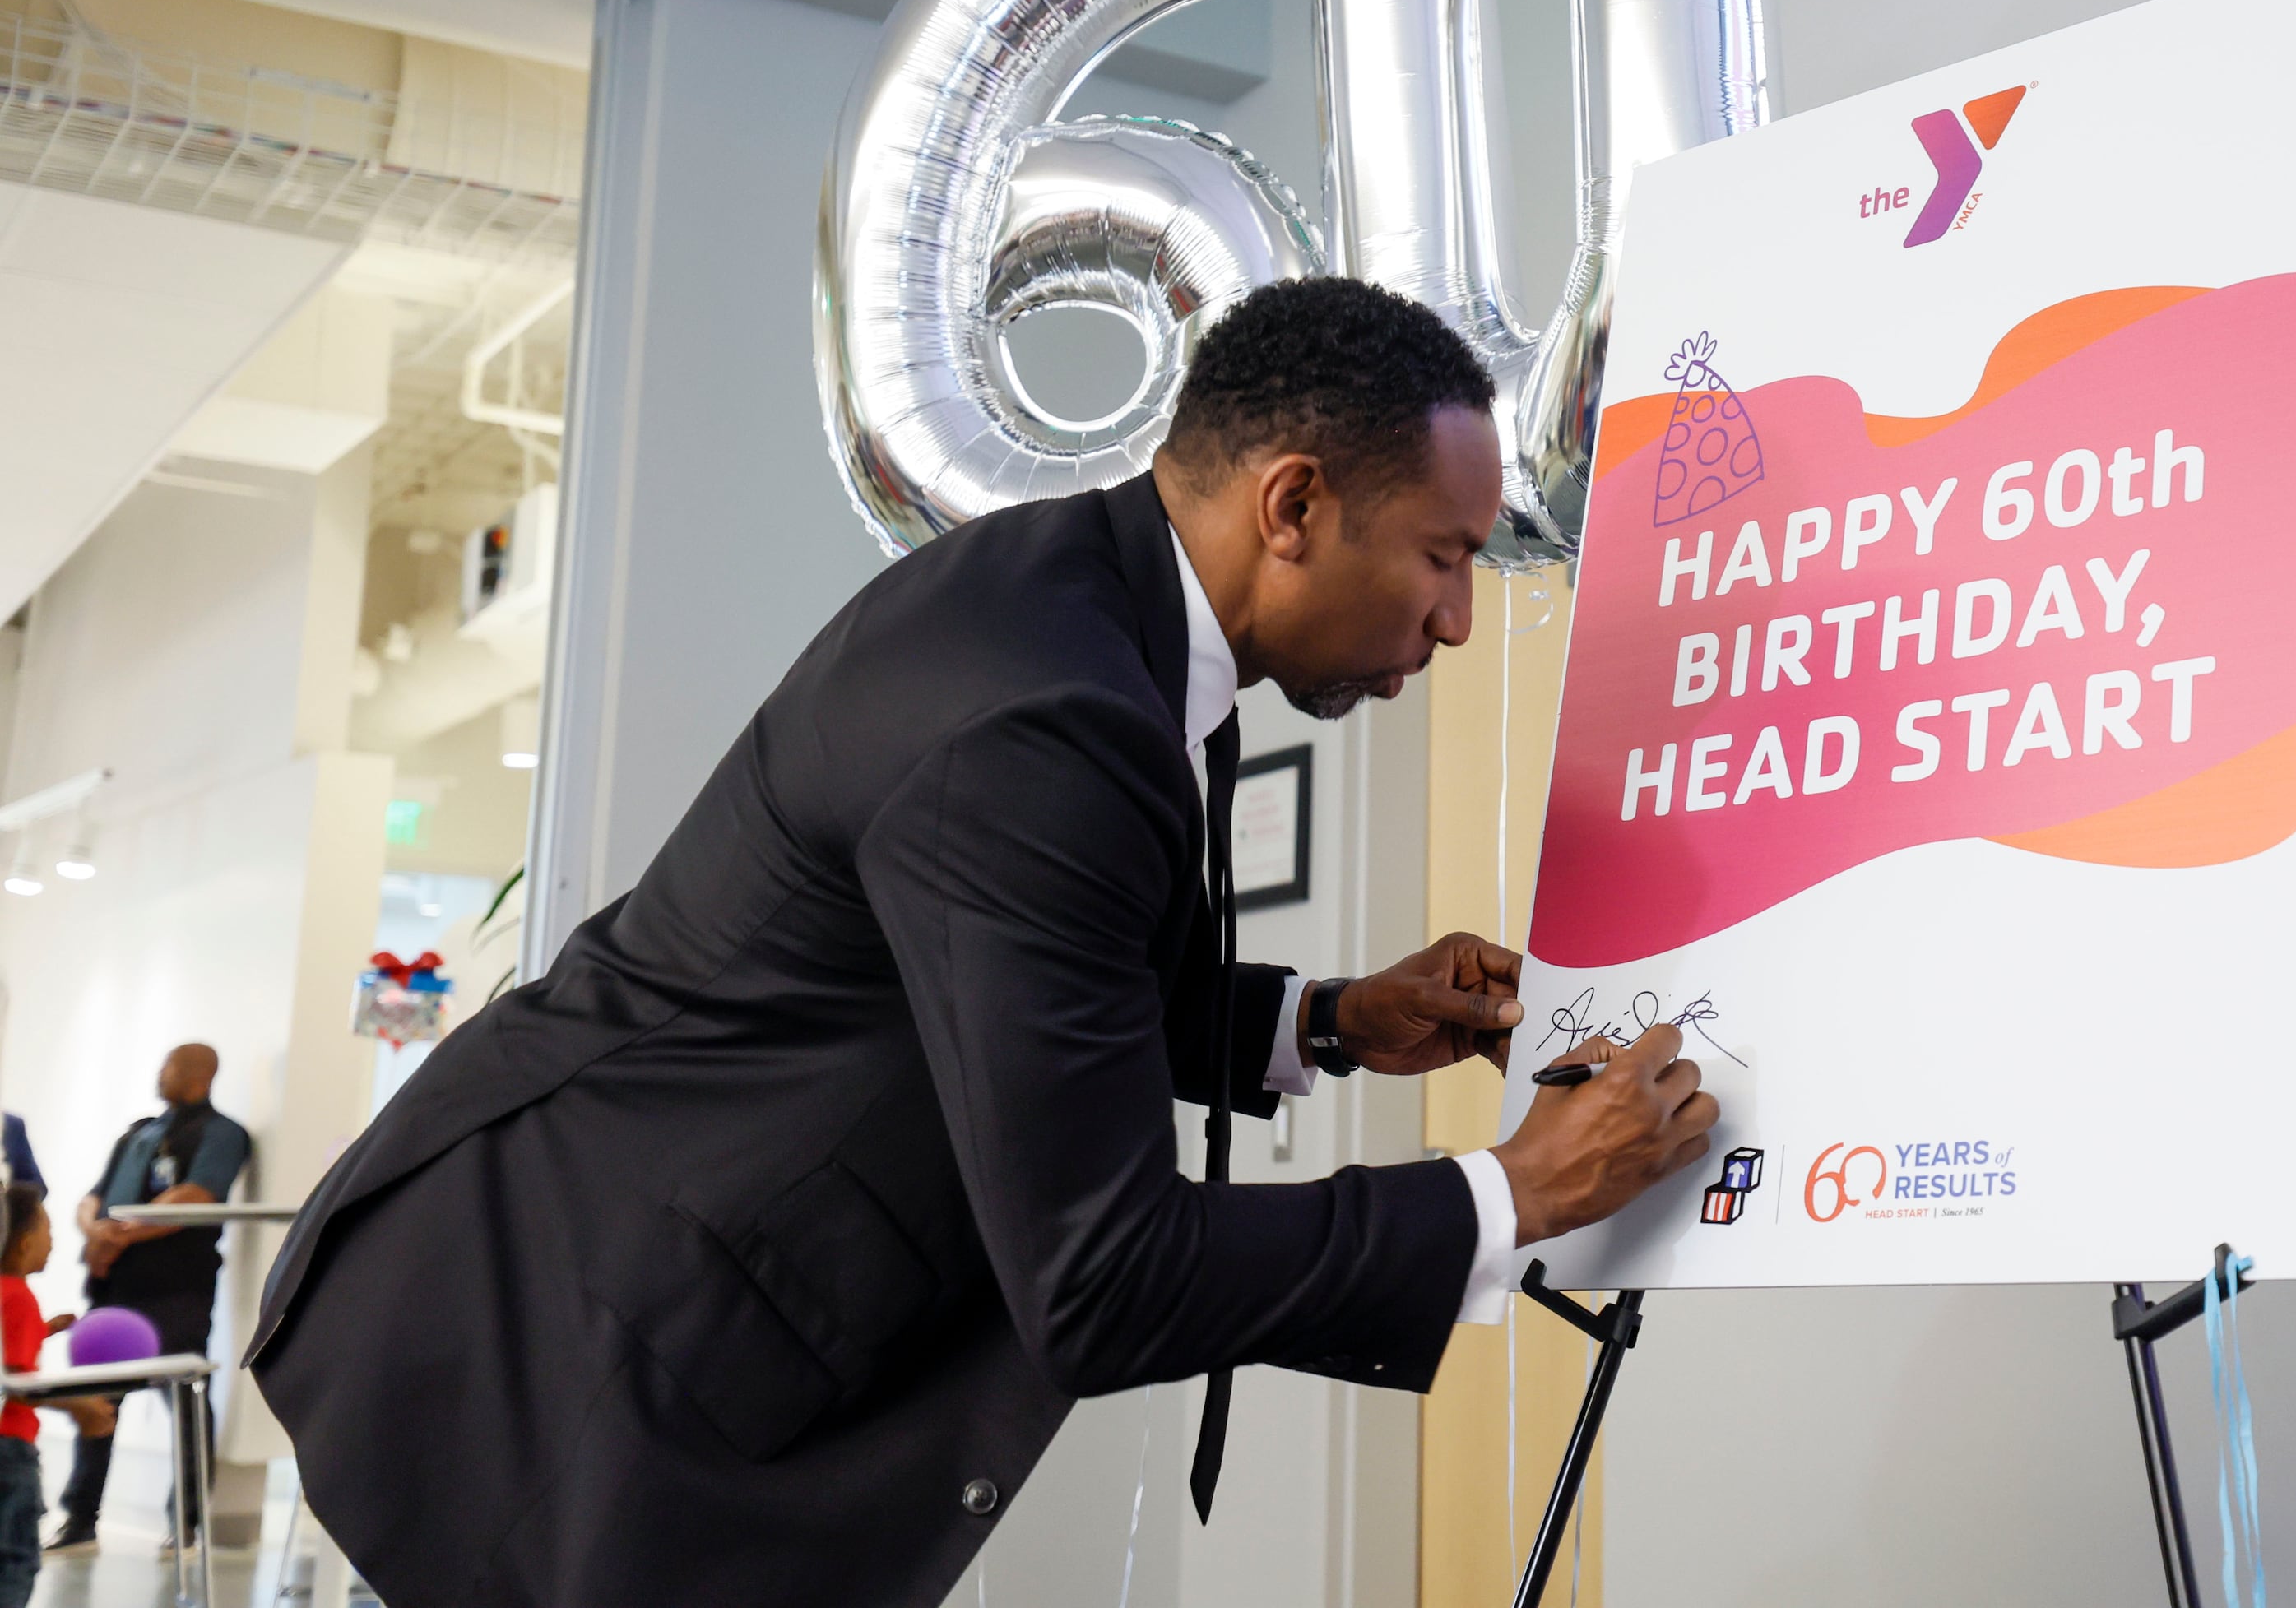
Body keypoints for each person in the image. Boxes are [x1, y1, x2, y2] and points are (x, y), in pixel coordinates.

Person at [252, 279, 1714, 1608]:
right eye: (1445, 558)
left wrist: (1319, 1022)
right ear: (1295, 506)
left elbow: (993, 974)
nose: (1460, 620)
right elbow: (1107, 1280)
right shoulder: (1049, 717)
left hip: (593, 1290)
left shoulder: (1087, 609)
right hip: (554, 1360)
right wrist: (1513, 1190)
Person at [45, 1044, 245, 1559]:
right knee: (97, 1403)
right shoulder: (140, 1132)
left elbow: (195, 1198)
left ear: (200, 1074)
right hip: (115, 1294)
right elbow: (93, 1198)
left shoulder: (222, 1133)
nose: (160, 1073)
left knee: (185, 1405)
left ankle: (186, 1525)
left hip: (176, 1292)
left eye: (169, 1066)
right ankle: (80, 1520)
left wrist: (119, 1235)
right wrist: (97, 1229)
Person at [0, 1183, 110, 1604]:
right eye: (48, 1229)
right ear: (25, 1242)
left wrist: (44, 1330)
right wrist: (79, 1406)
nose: (54, 1240)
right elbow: (18, 1385)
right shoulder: (20, 1298)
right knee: (16, 1557)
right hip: (11, 1451)